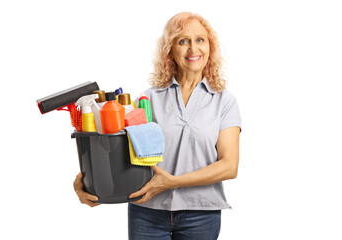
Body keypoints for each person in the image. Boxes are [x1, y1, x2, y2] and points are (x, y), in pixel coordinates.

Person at [74, 12, 241, 240]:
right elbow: (117, 151)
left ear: (210, 46)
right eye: (183, 41)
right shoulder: (147, 100)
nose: (193, 48)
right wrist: (88, 182)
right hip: (147, 213)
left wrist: (173, 182)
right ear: (170, 50)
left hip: (201, 214)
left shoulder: (224, 101)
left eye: (200, 40)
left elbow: (229, 166)